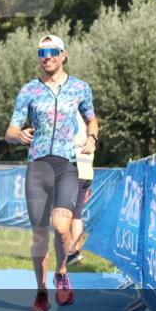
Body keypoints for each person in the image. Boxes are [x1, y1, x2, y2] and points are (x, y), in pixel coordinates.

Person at [5, 35, 98, 311]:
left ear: (63, 55)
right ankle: (41, 292)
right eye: (42, 52)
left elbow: (91, 118)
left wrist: (92, 136)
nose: (47, 56)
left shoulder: (81, 88)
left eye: (52, 52)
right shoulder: (29, 91)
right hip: (37, 167)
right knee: (39, 236)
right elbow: (10, 130)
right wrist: (17, 135)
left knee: (61, 227)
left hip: (66, 165)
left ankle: (60, 272)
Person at [67, 112, 95, 266]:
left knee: (64, 214)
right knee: (76, 215)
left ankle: (70, 252)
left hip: (74, 170)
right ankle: (76, 253)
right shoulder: (85, 120)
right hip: (86, 171)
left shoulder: (68, 114)